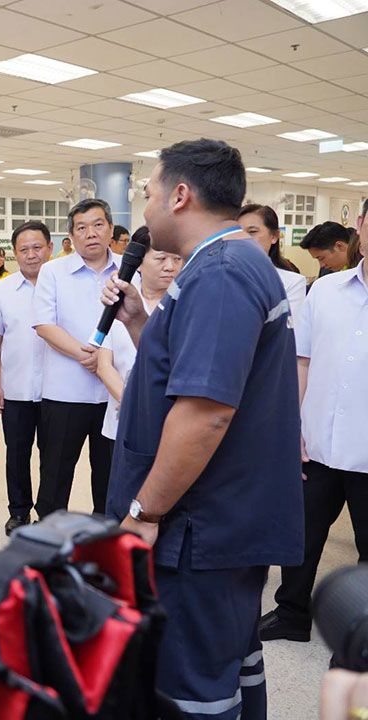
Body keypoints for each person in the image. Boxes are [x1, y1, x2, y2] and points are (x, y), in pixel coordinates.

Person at [102, 138, 302, 720]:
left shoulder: (219, 272)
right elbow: (182, 378)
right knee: (228, 663)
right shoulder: (226, 264)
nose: (144, 208)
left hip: (197, 530)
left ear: (181, 195)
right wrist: (141, 323)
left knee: (192, 686)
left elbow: (207, 413)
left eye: (149, 192)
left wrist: (145, 513)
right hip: (213, 523)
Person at [257, 233, 367, 644]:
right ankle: (292, 614)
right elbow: (301, 361)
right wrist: (295, 426)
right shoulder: (325, 289)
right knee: (300, 536)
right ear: (360, 228)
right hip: (317, 441)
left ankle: (360, 635)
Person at [32, 198, 122, 517]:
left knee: (111, 478)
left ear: (110, 229)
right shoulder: (53, 271)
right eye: (81, 228)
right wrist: (87, 354)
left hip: (115, 394)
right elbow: (44, 324)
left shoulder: (130, 271)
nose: (91, 233)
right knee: (55, 477)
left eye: (98, 225)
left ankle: (107, 546)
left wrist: (105, 361)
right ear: (71, 235)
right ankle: (48, 547)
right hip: (64, 393)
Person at [0, 221, 53, 534]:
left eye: (37, 248)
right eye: (24, 250)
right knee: (17, 455)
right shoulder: (1, 290)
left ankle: (48, 512)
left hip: (57, 391)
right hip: (15, 389)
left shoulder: (62, 285)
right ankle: (18, 511)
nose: (31, 255)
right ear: (15, 254)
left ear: (50, 248)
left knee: (53, 457)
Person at [96, 229, 182, 443]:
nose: (170, 266)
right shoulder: (120, 302)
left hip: (168, 421)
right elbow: (104, 365)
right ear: (139, 263)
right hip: (121, 418)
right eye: (161, 258)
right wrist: (130, 404)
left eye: (177, 259)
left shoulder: (186, 305)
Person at [237, 204, 306, 322]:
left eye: (252, 231)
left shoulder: (292, 283)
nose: (242, 238)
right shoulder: (221, 275)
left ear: (274, 236)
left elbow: (289, 331)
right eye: (237, 232)